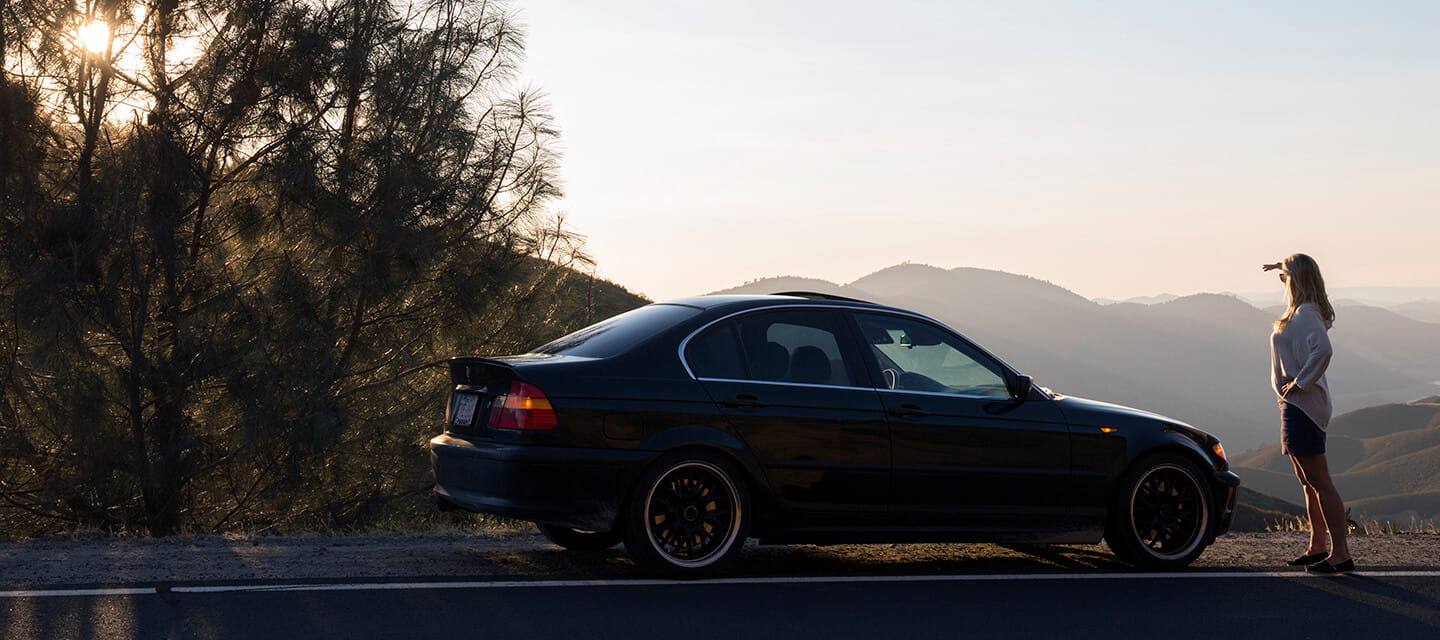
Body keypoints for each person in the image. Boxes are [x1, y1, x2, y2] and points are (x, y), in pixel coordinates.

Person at [1261, 254, 1353, 574]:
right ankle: (1317, 546)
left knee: (1319, 481)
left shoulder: (1307, 315)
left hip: (1303, 407)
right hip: (1294, 406)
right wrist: (1280, 267)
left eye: (1286, 277)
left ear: (1297, 279)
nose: (1283, 282)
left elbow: (1324, 350)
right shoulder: (1301, 311)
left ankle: (1340, 554)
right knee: (1307, 480)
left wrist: (1301, 382)